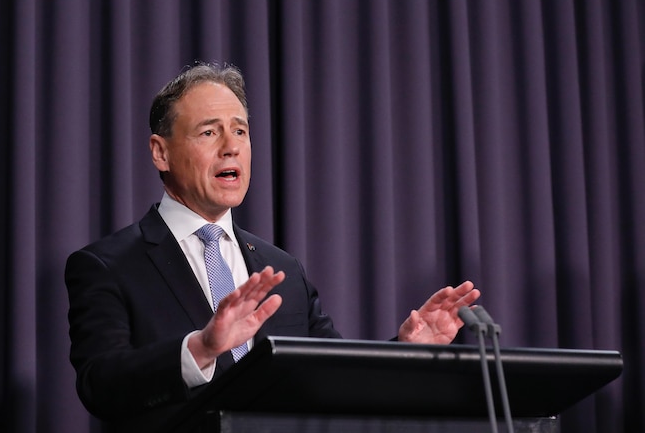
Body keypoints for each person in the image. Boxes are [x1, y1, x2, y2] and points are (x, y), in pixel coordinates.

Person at [64, 63, 480, 431]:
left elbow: (333, 374)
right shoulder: (107, 265)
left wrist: (405, 351)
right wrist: (202, 348)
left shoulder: (282, 269)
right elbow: (101, 384)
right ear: (161, 152)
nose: (231, 146)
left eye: (240, 130)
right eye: (209, 131)